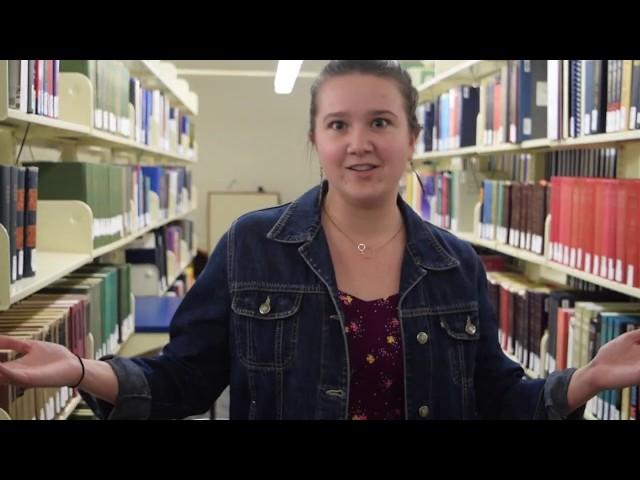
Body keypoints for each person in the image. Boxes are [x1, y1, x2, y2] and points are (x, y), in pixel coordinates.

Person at [1, 60, 640, 420]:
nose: (359, 142)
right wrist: (81, 368)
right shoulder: (253, 244)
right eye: (339, 124)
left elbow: (499, 400)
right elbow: (185, 380)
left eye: (381, 122)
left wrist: (580, 381)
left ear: (414, 138)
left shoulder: (454, 264)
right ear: (316, 140)